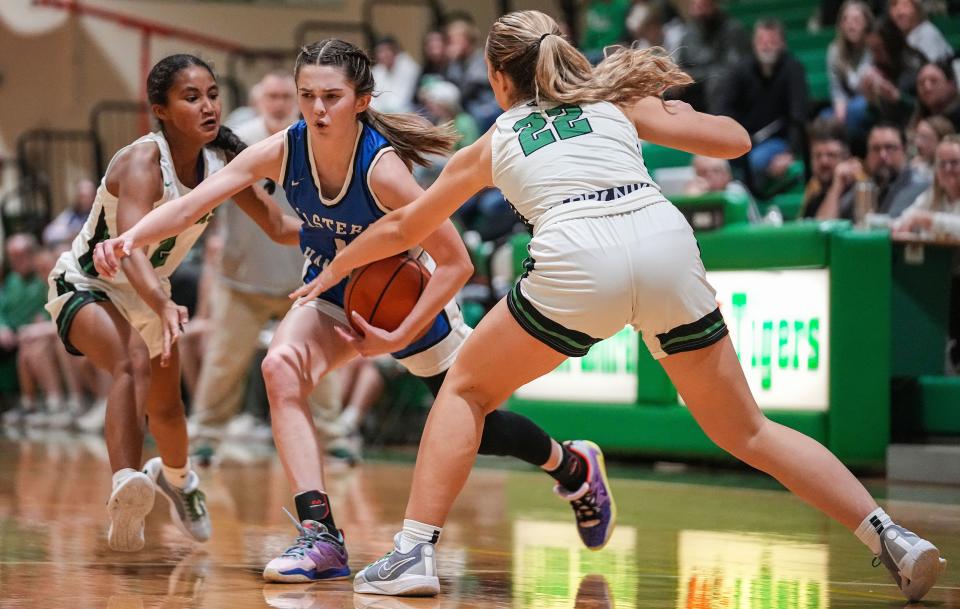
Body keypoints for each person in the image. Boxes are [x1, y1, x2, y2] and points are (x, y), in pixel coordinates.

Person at [287, 11, 947, 601]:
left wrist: (336, 269)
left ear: (496, 76)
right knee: (747, 429)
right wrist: (667, 110)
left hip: (579, 255)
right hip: (664, 241)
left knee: (464, 387)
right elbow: (738, 142)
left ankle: (413, 552)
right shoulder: (614, 105)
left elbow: (402, 231)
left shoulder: (495, 140)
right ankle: (889, 533)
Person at [93, 39, 617, 583]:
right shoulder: (284, 148)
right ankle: (320, 536)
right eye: (307, 96)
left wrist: (396, 337)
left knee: (478, 429)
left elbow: (456, 263)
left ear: (361, 100)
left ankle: (572, 465)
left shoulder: (383, 172)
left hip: (410, 301)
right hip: (331, 289)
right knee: (280, 368)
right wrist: (129, 237)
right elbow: (192, 203)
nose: (317, 110)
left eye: (332, 97)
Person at [43, 54, 300, 552]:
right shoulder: (143, 160)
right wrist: (161, 304)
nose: (207, 106)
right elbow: (131, 246)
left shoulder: (221, 163)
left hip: (149, 290)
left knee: (168, 410)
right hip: (88, 283)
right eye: (191, 97)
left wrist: (345, 235)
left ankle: (179, 481)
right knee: (129, 363)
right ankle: (126, 485)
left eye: (212, 95)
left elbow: (278, 226)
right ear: (160, 109)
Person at [716, 18, 809, 194]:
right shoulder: (741, 69)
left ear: (782, 44)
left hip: (778, 141)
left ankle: (755, 205)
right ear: (754, 43)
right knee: (714, 165)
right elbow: (724, 108)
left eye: (772, 41)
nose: (766, 46)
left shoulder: (793, 69)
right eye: (762, 41)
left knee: (757, 160)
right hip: (744, 139)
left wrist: (791, 152)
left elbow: (799, 116)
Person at [825, 1, 874, 141]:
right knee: (824, 119)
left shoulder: (874, 47)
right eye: (845, 19)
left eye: (856, 20)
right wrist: (840, 111)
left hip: (872, 101)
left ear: (867, 23)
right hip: (847, 103)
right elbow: (836, 88)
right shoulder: (834, 51)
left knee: (856, 110)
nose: (851, 25)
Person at [802, 118, 856, 218]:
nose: (824, 162)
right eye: (817, 155)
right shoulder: (814, 192)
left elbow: (824, 228)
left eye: (831, 155)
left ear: (846, 158)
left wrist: (837, 185)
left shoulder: (860, 193)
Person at [43, 178, 97, 248]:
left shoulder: (98, 214)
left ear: (94, 196)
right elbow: (48, 234)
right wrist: (69, 235)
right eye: (81, 196)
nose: (84, 200)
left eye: (87, 196)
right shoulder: (71, 215)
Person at [910, 115, 955, 179]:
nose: (917, 143)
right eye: (917, 136)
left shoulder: (950, 171)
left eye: (924, 138)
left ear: (942, 141)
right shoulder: (916, 166)